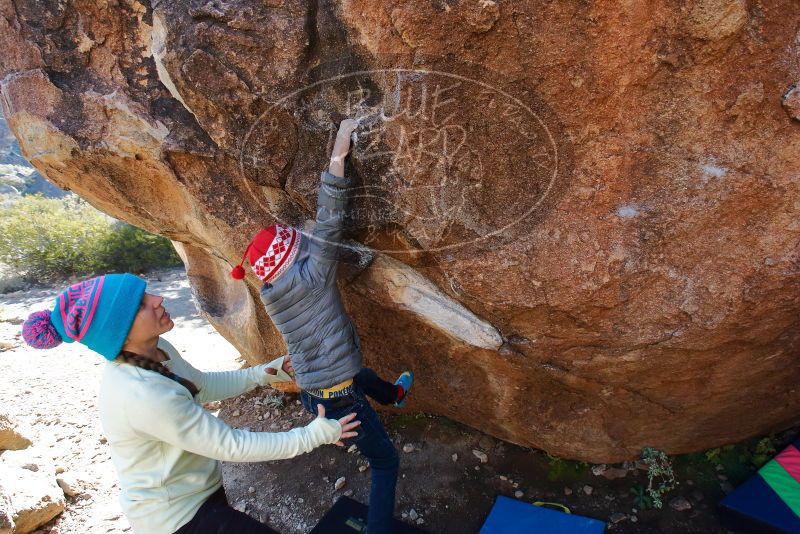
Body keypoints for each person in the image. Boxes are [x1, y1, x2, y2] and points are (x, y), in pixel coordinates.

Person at [20, 273, 360, 534]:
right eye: (140, 303)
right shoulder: (141, 394)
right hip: (176, 519)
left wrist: (264, 373)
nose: (158, 298)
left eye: (146, 291)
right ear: (118, 333)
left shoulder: (157, 352)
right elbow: (231, 445)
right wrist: (315, 435)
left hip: (197, 496)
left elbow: (203, 386)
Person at [229, 118, 414, 533]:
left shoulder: (271, 293)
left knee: (357, 373)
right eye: (300, 242)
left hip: (314, 393)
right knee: (386, 462)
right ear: (296, 257)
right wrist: (339, 151)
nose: (307, 239)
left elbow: (308, 243)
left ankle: (394, 394)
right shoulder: (315, 275)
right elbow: (329, 219)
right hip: (340, 401)